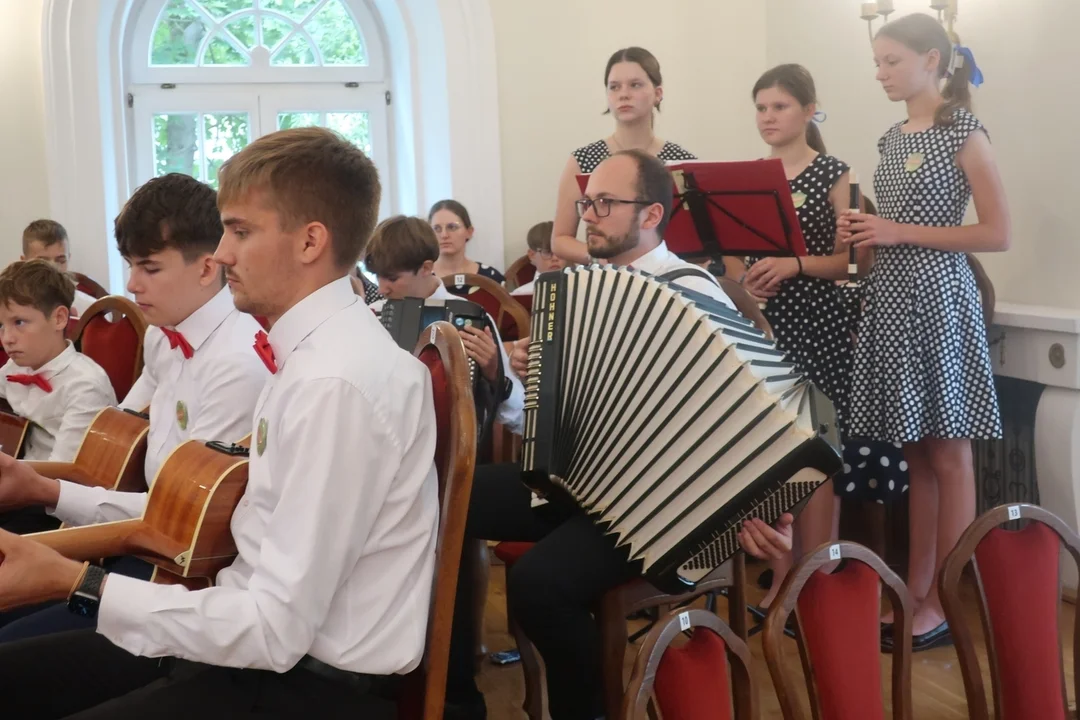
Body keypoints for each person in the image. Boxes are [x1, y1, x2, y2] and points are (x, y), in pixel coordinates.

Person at [0, 127, 440, 719]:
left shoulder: (334, 384)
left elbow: (274, 630)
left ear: (311, 241)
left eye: (240, 231)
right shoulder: (307, 358)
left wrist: (76, 585)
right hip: (239, 646)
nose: (223, 253)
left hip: (301, 686)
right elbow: (209, 521)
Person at [444, 150, 790, 720]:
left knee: (537, 583)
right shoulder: (578, 291)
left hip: (668, 505)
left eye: (605, 203)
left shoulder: (696, 292)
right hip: (582, 481)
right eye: (586, 203)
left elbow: (761, 410)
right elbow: (543, 421)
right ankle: (455, 698)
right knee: (446, 498)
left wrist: (754, 500)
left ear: (652, 213)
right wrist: (513, 381)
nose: (588, 216)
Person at [0, 172, 270, 643]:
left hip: (173, 582)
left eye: (150, 267)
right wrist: (35, 483)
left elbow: (183, 525)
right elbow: (111, 453)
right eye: (130, 265)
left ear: (207, 268)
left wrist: (47, 494)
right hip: (130, 544)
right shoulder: (164, 336)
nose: (131, 283)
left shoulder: (236, 363)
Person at [839, 13, 1010, 651]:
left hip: (940, 297)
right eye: (877, 63)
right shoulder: (890, 138)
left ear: (932, 59)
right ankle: (915, 592)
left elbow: (996, 233)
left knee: (949, 452)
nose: (880, 73)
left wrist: (895, 231)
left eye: (890, 61)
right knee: (912, 453)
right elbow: (888, 230)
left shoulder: (963, 128)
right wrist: (863, 239)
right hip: (890, 296)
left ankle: (948, 596)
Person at [735, 64, 908, 612]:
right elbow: (735, 253)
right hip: (764, 325)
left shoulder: (838, 172)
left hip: (820, 324)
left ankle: (820, 572)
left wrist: (795, 266)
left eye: (779, 106)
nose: (767, 117)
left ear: (810, 111)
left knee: (817, 449)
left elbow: (860, 263)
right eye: (761, 107)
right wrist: (745, 280)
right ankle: (783, 572)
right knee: (773, 450)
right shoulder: (745, 176)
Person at [364, 214, 524, 437]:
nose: (382, 289)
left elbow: (521, 419)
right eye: (377, 277)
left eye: (391, 278)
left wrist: (493, 372)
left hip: (453, 450)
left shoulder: (470, 315)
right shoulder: (371, 313)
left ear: (426, 268)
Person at [551, 47, 696, 266]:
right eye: (614, 87)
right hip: (607, 278)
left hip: (668, 273)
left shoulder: (681, 161)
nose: (624, 94)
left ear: (658, 93)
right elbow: (560, 239)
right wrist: (601, 257)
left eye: (635, 85)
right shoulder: (583, 159)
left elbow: (698, 238)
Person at [0, 259, 115, 465]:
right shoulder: (16, 366)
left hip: (56, 488)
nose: (7, 338)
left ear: (59, 318)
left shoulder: (84, 387)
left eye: (19, 322)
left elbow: (62, 471)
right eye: (2, 325)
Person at [21, 219, 97, 318]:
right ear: (24, 262)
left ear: (68, 258)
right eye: (42, 262)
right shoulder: (8, 306)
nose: (54, 269)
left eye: (61, 261)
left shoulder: (89, 308)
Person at [430, 200, 505, 283]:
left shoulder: (491, 278)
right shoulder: (419, 279)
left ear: (469, 232)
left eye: (452, 227)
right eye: (437, 228)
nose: (444, 235)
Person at [510, 220, 567, 298]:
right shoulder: (521, 294)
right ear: (532, 255)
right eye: (547, 252)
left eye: (559, 252)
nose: (555, 258)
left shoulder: (579, 288)